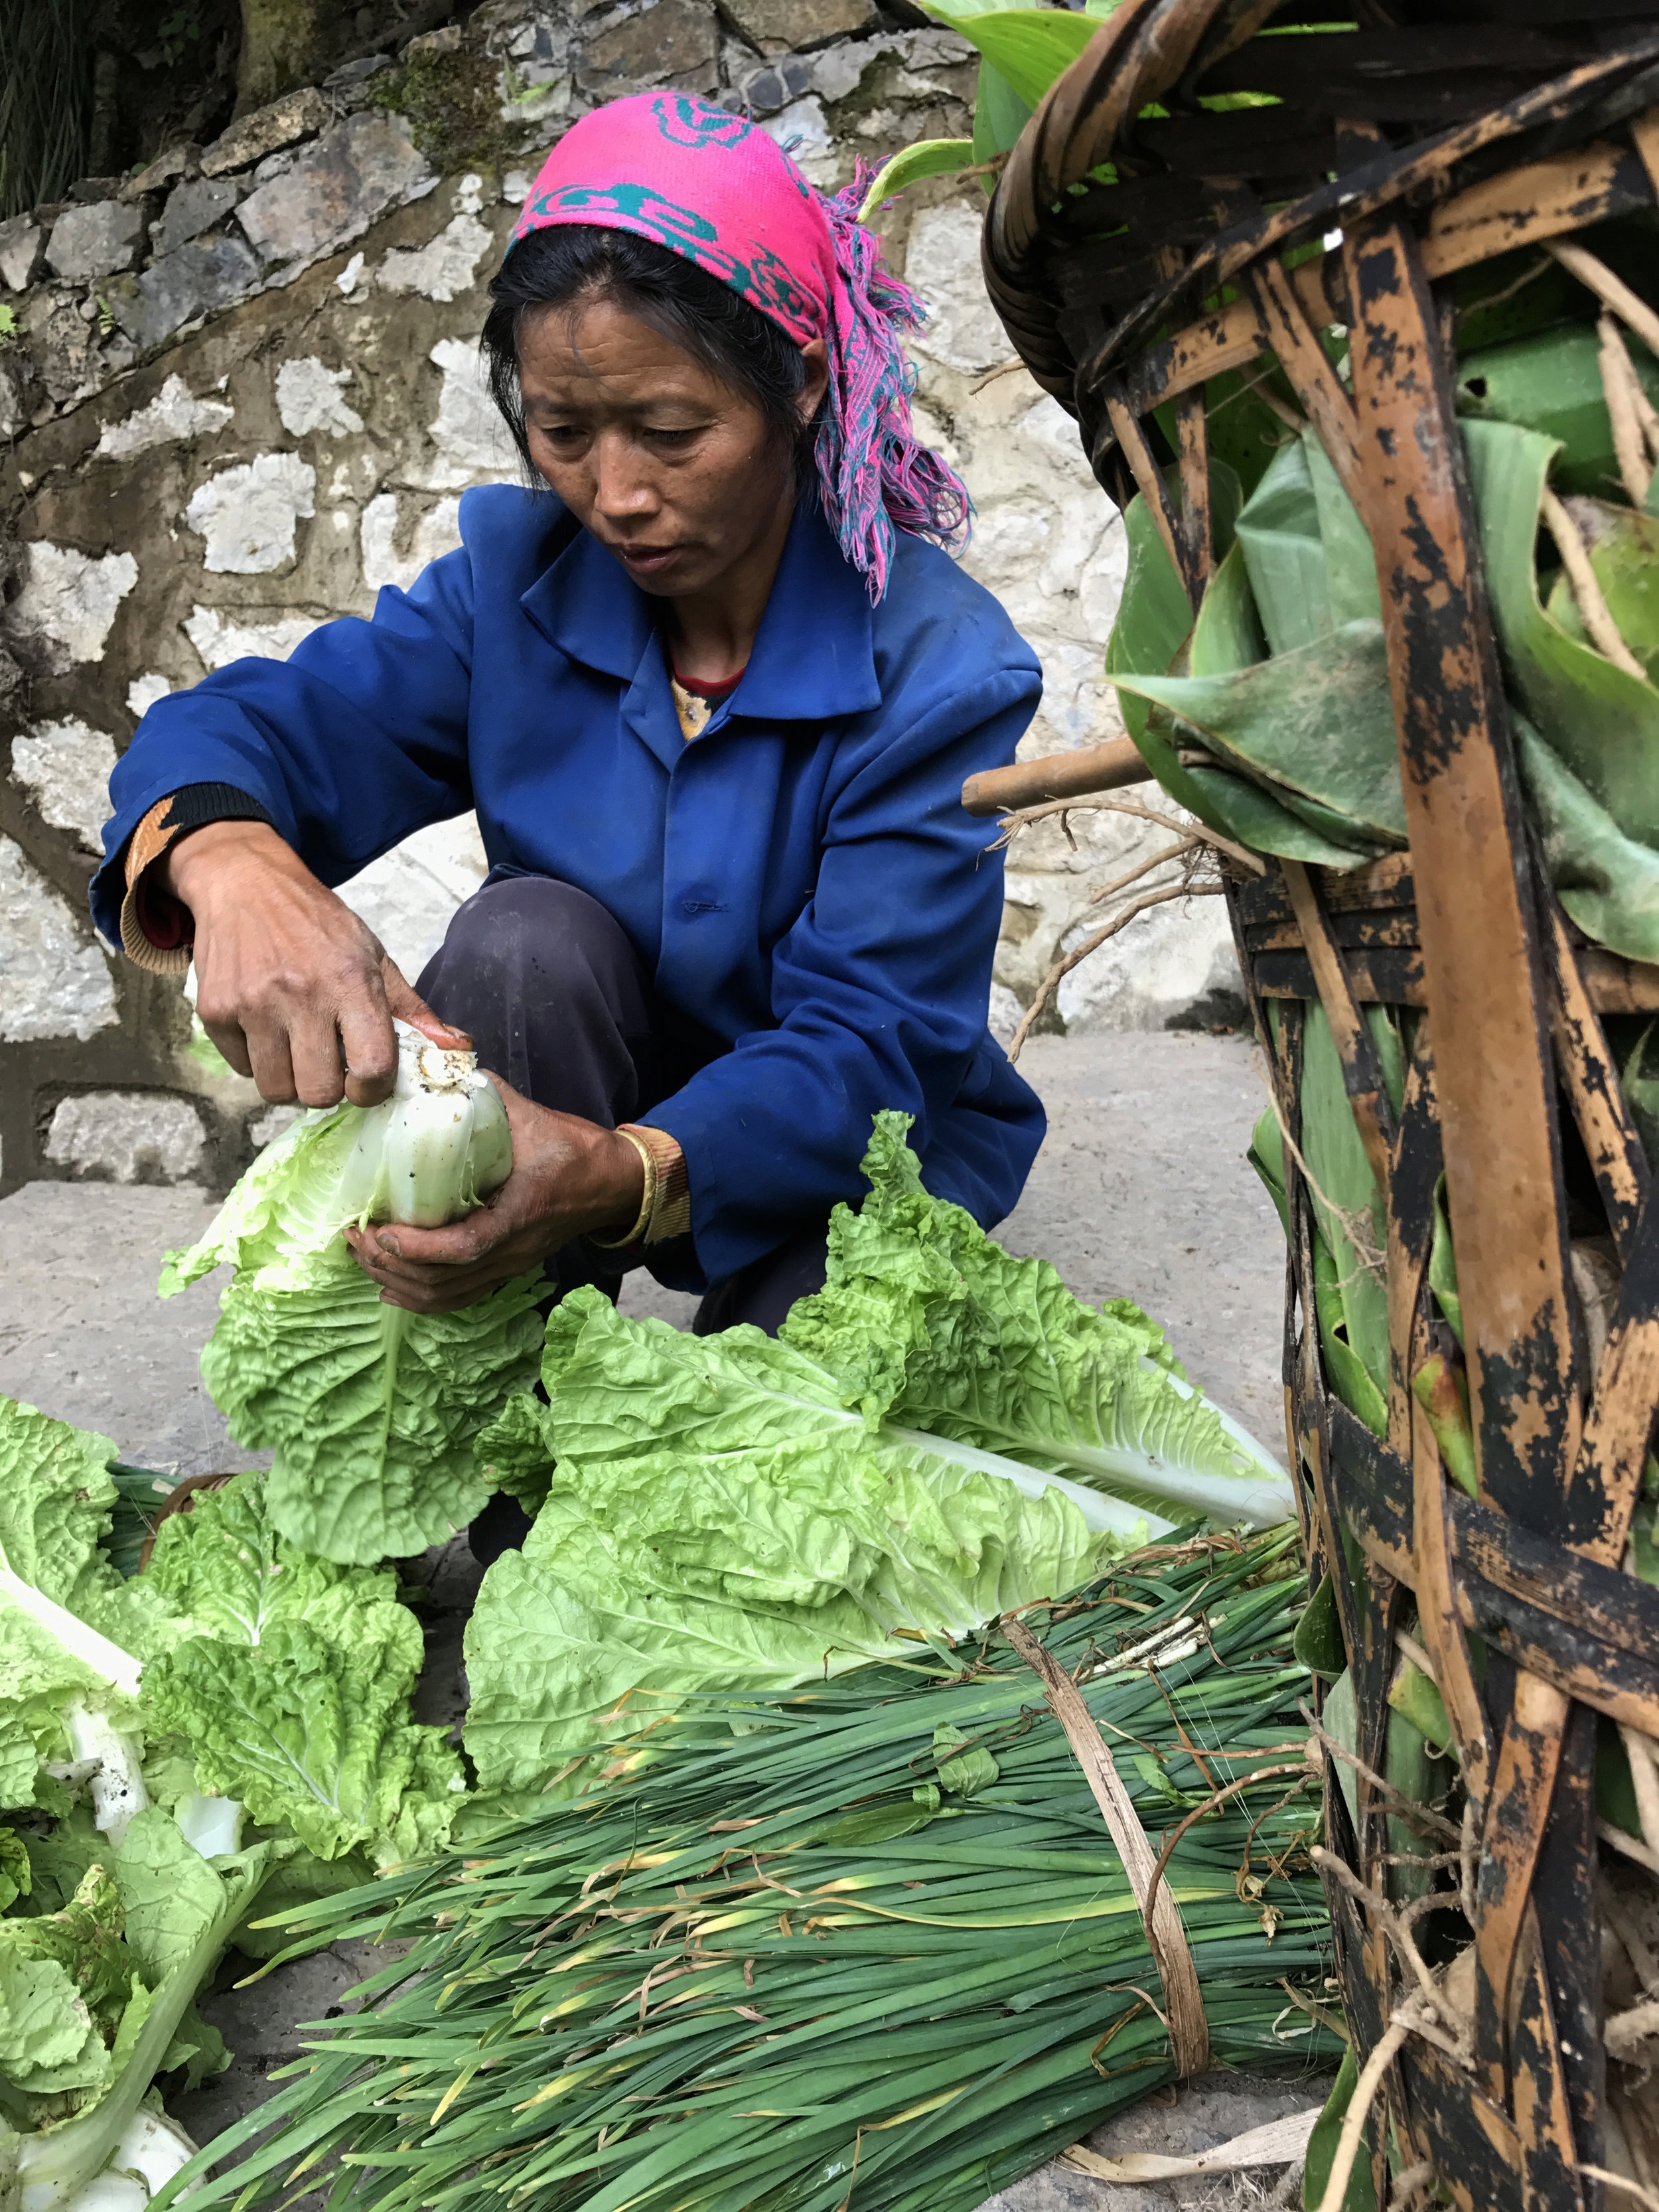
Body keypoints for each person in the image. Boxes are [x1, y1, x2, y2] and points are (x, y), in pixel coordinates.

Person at [94, 91, 1047, 1380]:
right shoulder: (513, 582)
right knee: (523, 945)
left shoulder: (938, 669)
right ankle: (482, 1430)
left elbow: (869, 1039)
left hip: (847, 1130)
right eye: (562, 431)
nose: (616, 494)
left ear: (800, 384)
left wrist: (617, 1169)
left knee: (765, 1438)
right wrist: (227, 860)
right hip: (577, 1056)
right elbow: (256, 725)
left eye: (670, 431)